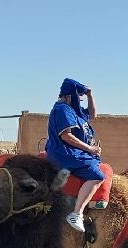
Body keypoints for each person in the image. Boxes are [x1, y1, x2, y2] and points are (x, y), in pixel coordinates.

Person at [45, 78, 103, 233]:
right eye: (80, 96)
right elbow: (66, 136)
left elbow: (93, 115)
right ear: (70, 95)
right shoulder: (62, 109)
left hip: (76, 151)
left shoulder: (74, 111)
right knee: (97, 176)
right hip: (65, 153)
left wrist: (90, 95)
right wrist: (90, 149)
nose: (81, 100)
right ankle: (76, 213)